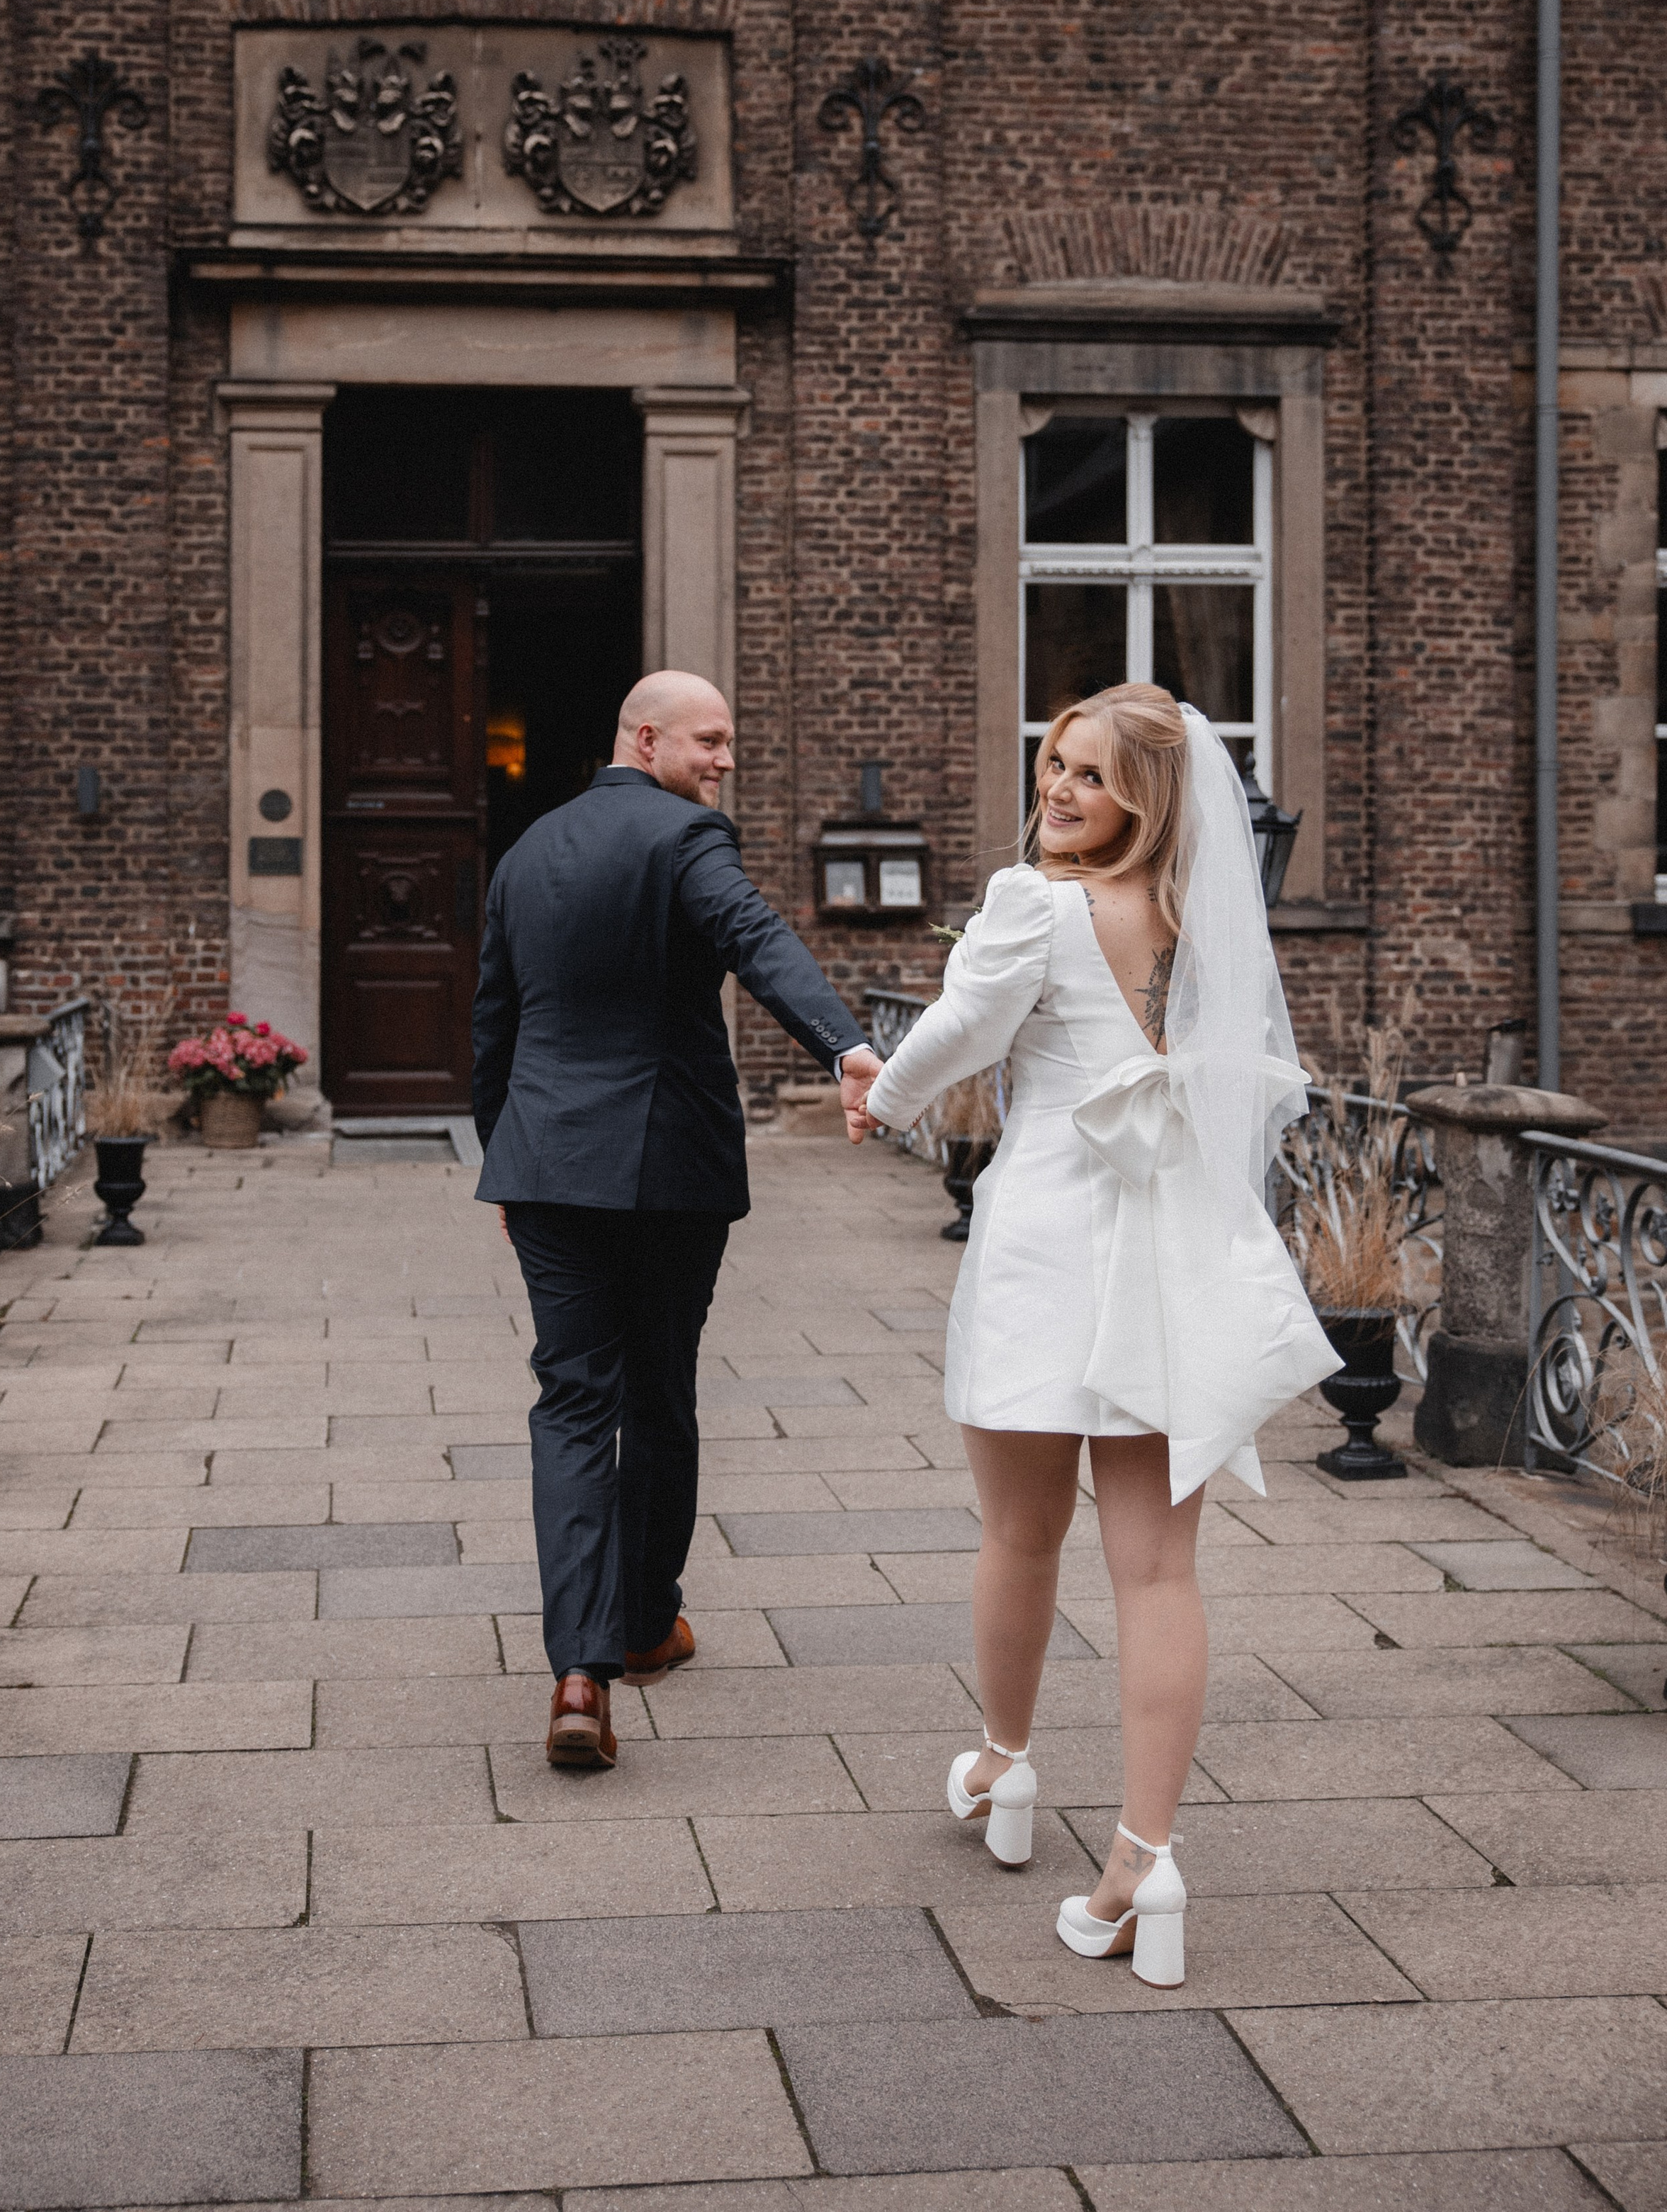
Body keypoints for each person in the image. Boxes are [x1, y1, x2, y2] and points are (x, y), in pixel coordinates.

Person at [855, 684, 1339, 1987]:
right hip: (1171, 1248)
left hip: (1050, 1250)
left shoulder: (1037, 902)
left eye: (1092, 778)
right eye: (1055, 765)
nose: (1059, 792)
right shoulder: (1190, 924)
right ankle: (1144, 1856)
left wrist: (883, 1100)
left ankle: (1007, 1768)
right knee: (1159, 1574)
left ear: (1146, 800)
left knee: (1020, 1532)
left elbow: (964, 1035)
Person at [473, 670, 881, 1768]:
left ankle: (577, 1670)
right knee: (657, 1392)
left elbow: (494, 1030)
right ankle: (646, 1624)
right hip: (668, 1168)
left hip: (549, 1165)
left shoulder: (522, 856)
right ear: (644, 738)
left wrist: (505, 1161)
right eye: (710, 741)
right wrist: (845, 1047)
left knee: (570, 1402)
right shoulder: (688, 841)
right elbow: (758, 939)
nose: (726, 760)